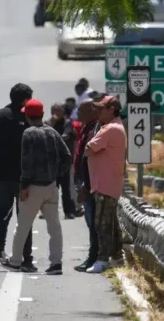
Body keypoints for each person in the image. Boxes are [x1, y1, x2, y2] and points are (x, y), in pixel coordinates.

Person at [1, 98, 71, 275]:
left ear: (27, 115)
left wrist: (24, 186)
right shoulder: (52, 132)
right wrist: (57, 175)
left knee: (22, 226)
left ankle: (15, 261)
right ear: (42, 114)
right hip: (51, 186)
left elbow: (27, 162)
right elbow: (67, 156)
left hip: (33, 186)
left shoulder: (28, 133)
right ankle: (56, 263)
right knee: (54, 227)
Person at [0, 83, 37, 272]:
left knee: (0, 216)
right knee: (25, 219)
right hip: (23, 179)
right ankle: (26, 258)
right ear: (25, 99)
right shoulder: (27, 118)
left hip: (1, 178)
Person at [85, 95, 126, 274]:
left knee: (102, 223)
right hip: (107, 182)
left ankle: (102, 259)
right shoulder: (112, 127)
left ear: (111, 110)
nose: (98, 112)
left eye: (101, 109)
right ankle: (117, 256)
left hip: (105, 183)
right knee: (111, 222)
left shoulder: (110, 129)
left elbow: (89, 148)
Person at [74, 98, 101, 272]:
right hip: (85, 181)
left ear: (91, 112)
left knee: (93, 224)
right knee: (91, 222)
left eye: (81, 111)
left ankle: (94, 257)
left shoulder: (95, 130)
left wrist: (85, 185)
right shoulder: (87, 129)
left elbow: (90, 159)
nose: (78, 114)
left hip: (90, 183)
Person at [46, 103, 77, 219]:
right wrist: (53, 123)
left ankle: (68, 211)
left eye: (59, 110)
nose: (57, 113)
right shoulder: (48, 123)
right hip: (51, 161)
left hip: (64, 161)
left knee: (66, 188)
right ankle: (49, 212)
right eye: (55, 111)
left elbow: (66, 135)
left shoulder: (67, 122)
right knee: (51, 189)